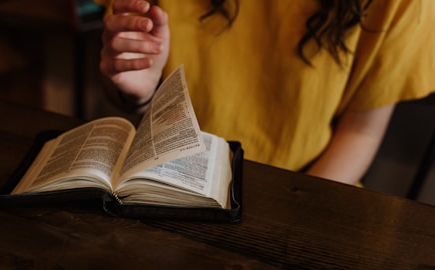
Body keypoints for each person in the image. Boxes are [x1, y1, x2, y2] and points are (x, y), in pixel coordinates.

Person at [98, 0, 435, 185]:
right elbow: (127, 99)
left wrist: (290, 213)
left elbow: (361, 132)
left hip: (308, 190)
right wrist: (139, 93)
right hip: (167, 181)